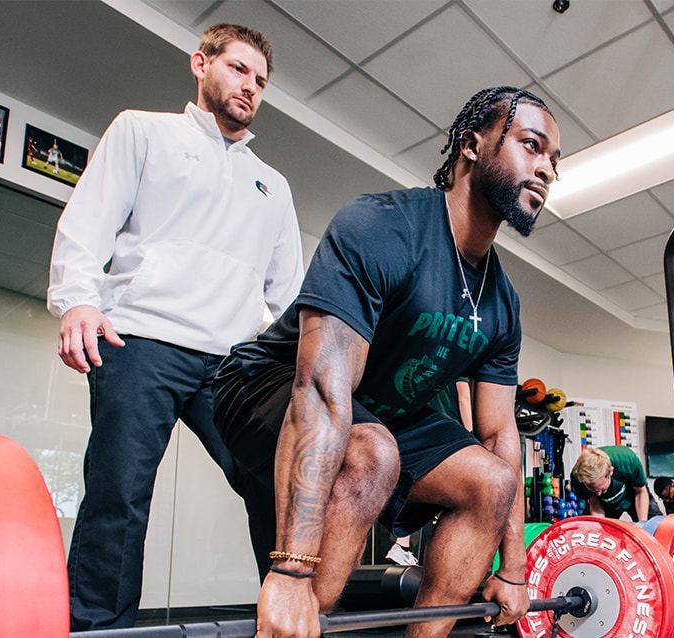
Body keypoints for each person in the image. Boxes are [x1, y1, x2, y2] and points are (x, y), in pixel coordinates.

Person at [212, 86, 560, 638]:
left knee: (492, 481)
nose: (545, 169)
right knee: (372, 452)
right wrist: (290, 570)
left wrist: (513, 570)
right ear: (472, 145)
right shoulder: (383, 227)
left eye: (553, 160)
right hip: (270, 383)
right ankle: (292, 627)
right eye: (531, 145)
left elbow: (499, 435)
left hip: (380, 408)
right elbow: (323, 391)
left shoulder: (503, 303)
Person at [47, 23, 304, 631]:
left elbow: (290, 295)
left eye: (261, 81)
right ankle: (96, 628)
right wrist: (78, 300)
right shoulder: (143, 131)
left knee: (275, 483)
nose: (250, 87)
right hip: (141, 339)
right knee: (121, 492)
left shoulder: (275, 186)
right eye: (239, 69)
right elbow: (88, 223)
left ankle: (290, 614)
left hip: (233, 362)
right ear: (200, 63)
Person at [386, 377, 474, 567]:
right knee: (456, 495)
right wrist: (470, 433)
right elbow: (464, 398)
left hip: (421, 429)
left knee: (415, 486)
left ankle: (402, 546)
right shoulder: (461, 366)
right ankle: (443, 557)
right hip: (450, 433)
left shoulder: (432, 368)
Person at [570, 445, 663, 521]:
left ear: (611, 472)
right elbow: (594, 502)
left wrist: (643, 525)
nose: (598, 493)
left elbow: (640, 492)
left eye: (602, 489)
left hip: (634, 494)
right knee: (592, 533)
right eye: (594, 490)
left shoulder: (627, 461)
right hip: (604, 504)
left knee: (656, 528)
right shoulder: (578, 478)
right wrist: (600, 528)